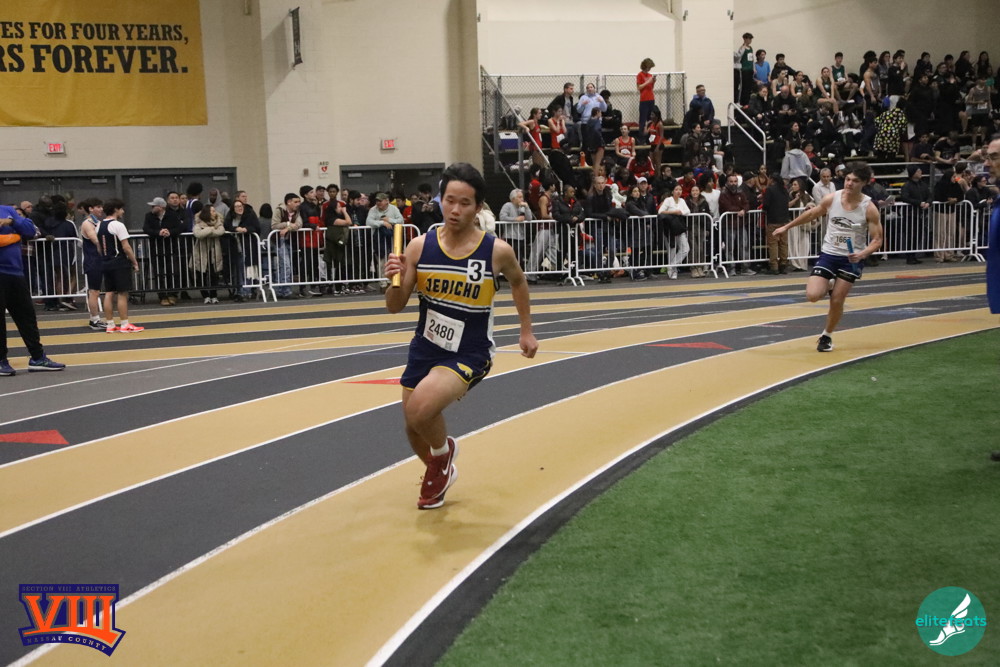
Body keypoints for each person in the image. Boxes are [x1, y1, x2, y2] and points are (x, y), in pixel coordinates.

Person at [383, 162, 538, 510]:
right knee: (413, 426)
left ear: (478, 207)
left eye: (464, 203)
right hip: (425, 348)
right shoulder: (418, 248)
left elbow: (518, 282)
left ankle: (443, 453)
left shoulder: (496, 251)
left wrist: (526, 330)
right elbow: (394, 306)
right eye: (449, 200)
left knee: (421, 409)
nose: (454, 210)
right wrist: (392, 279)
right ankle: (441, 469)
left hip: (469, 352)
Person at [772, 162, 883, 352]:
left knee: (837, 300)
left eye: (855, 181)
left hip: (850, 260)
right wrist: (786, 227)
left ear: (864, 183)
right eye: (847, 179)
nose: (849, 184)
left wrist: (862, 254)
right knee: (813, 295)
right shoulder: (833, 198)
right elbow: (812, 214)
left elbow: (877, 240)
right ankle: (830, 284)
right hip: (829, 254)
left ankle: (827, 335)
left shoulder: (869, 208)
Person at [0, 204, 65, 375]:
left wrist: (11, 222)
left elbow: (30, 230)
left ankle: (37, 357)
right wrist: (14, 237)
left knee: (27, 316)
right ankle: (1, 361)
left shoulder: (8, 210)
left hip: (15, 272)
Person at [96, 199, 144, 333]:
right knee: (122, 293)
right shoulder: (118, 225)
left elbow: (99, 246)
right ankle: (124, 324)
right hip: (118, 262)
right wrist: (134, 262)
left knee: (109, 293)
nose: (123, 211)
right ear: (116, 209)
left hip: (105, 261)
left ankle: (110, 324)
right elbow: (126, 246)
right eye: (121, 209)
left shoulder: (99, 225)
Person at [77, 198, 107, 330]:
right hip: (93, 260)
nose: (101, 209)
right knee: (94, 291)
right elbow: (96, 241)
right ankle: (94, 319)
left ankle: (97, 319)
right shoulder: (87, 224)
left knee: (98, 290)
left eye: (101, 207)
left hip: (101, 260)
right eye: (98, 207)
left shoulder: (98, 222)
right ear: (90, 209)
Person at [761, 173, 791, 274]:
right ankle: (783, 265)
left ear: (772, 179)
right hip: (784, 220)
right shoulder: (784, 190)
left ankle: (774, 267)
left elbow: (766, 205)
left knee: (773, 244)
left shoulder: (770, 190)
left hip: (773, 220)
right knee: (783, 244)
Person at [636, 58, 656, 133]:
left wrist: (653, 82)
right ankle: (641, 137)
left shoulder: (650, 75)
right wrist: (648, 81)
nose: (650, 69)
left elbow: (651, 87)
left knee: (650, 119)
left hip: (651, 99)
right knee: (642, 120)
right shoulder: (640, 75)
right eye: (649, 67)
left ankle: (650, 136)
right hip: (644, 100)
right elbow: (639, 87)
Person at [734, 32, 754, 105]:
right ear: (745, 39)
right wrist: (743, 47)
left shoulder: (750, 48)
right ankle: (742, 102)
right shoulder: (742, 48)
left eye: (751, 39)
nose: (750, 40)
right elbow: (738, 57)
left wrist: (754, 68)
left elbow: (752, 59)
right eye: (749, 39)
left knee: (749, 87)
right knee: (744, 87)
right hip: (744, 69)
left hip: (750, 69)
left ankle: (747, 101)